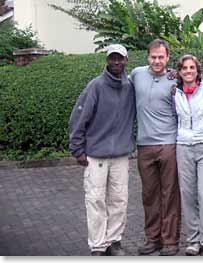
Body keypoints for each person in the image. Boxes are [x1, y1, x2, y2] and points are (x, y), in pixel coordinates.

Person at [69, 44, 135, 256]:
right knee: (95, 200)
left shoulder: (130, 86)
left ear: (126, 60)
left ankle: (114, 241)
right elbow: (78, 118)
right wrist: (77, 149)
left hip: (121, 156)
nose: (116, 62)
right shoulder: (95, 86)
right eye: (112, 58)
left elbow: (157, 79)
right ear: (107, 60)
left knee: (119, 200)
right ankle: (98, 245)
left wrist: (172, 77)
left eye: (120, 58)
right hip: (95, 154)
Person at [129, 39, 180, 256]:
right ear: (147, 57)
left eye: (161, 57)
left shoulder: (174, 79)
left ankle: (170, 241)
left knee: (169, 194)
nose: (157, 61)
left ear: (168, 58)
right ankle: (153, 239)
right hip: (144, 145)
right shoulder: (136, 74)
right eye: (153, 57)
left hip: (168, 144)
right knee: (149, 194)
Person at [173, 55, 203, 256]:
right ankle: (194, 240)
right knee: (187, 194)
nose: (188, 71)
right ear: (179, 71)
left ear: (197, 70)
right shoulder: (174, 93)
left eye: (192, 67)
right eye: (184, 68)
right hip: (183, 146)